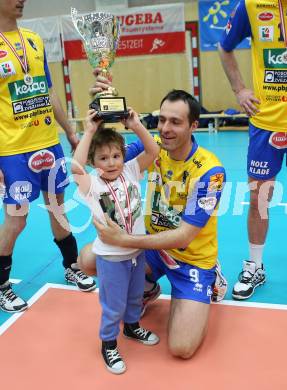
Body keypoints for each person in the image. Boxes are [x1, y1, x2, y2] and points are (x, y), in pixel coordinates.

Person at [91, 77, 227, 359]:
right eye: (162, 119)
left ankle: (211, 276)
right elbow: (105, 158)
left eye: (175, 122)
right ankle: (148, 287)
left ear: (193, 126)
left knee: (181, 348)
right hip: (153, 250)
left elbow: (185, 235)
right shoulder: (150, 145)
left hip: (191, 257)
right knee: (90, 259)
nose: (165, 128)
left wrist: (124, 239)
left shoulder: (210, 172)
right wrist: (100, 113)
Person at [0, 0, 96, 313]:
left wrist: (69, 131)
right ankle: (2, 285)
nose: (21, 0)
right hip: (13, 150)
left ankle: (71, 265)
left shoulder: (34, 39)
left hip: (47, 143)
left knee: (58, 208)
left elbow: (49, 91)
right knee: (17, 220)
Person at [72, 108, 160, 374]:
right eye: (103, 158)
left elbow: (153, 150)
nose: (111, 162)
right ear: (93, 162)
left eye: (116, 156)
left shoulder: (131, 171)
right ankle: (108, 343)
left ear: (123, 156)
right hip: (111, 257)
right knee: (113, 304)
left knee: (135, 297)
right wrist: (88, 131)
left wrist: (135, 124)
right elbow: (75, 167)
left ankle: (132, 327)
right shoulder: (92, 185)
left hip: (137, 252)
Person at [218, 0, 286, 300]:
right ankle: (255, 266)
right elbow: (225, 46)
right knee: (259, 197)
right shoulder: (251, 5)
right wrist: (239, 89)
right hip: (266, 122)